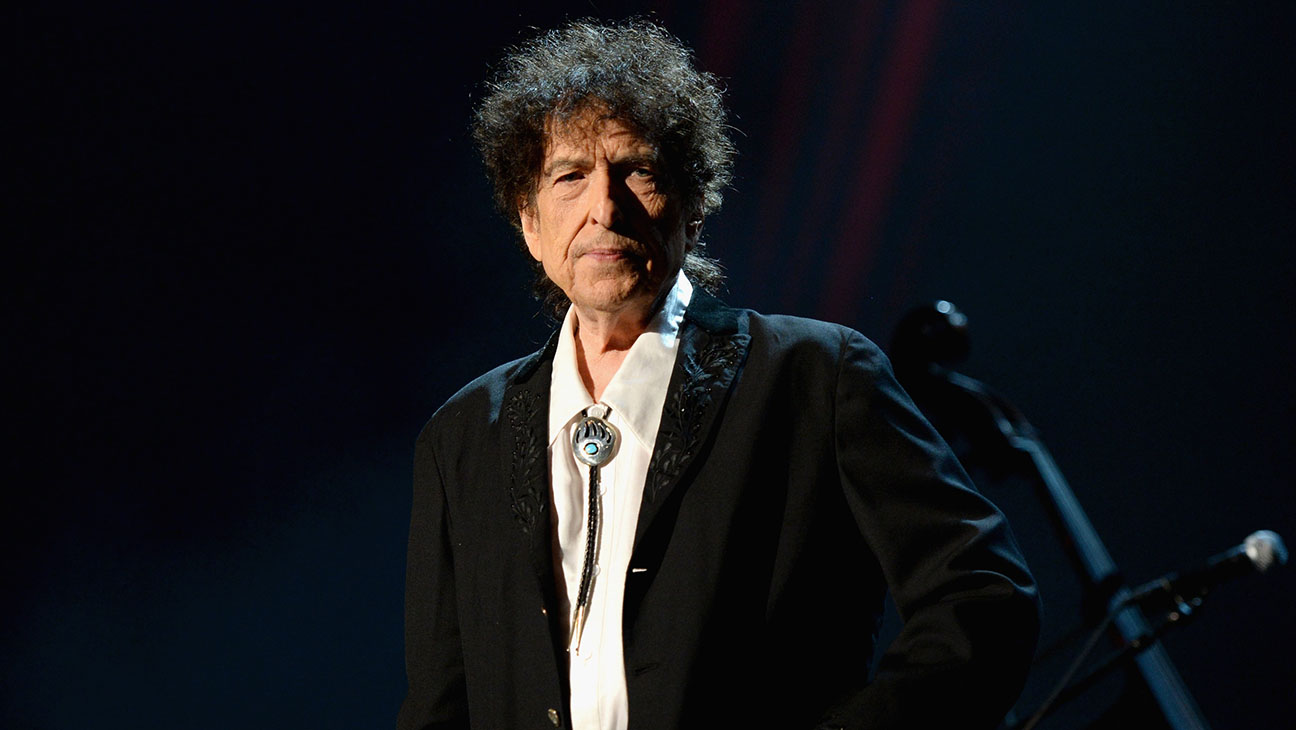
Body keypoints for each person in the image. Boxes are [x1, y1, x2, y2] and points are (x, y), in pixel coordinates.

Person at [399, 19, 1039, 730]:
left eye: (637, 171)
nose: (603, 208)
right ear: (529, 222)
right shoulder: (462, 438)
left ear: (694, 206)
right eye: (570, 177)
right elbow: (438, 707)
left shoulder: (816, 377)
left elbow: (983, 600)